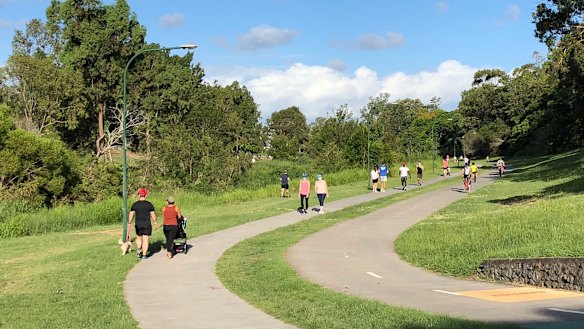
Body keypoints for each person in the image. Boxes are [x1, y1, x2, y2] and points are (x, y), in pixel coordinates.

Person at [128, 188, 158, 260]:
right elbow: (153, 214)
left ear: (139, 195)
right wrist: (155, 221)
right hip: (146, 223)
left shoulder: (135, 204)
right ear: (146, 195)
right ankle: (144, 256)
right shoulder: (149, 204)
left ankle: (139, 248)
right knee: (145, 239)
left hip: (138, 223)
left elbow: (131, 214)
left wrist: (129, 222)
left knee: (138, 237)